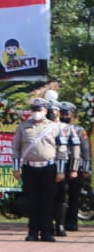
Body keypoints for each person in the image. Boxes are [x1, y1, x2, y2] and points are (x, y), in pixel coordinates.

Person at [12, 97, 68, 242]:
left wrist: (61, 171)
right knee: (32, 201)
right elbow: (16, 149)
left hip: (48, 169)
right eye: (34, 110)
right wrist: (16, 169)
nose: (37, 112)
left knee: (48, 202)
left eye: (40, 110)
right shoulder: (23, 127)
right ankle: (32, 232)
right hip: (29, 169)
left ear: (45, 110)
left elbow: (61, 150)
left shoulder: (54, 127)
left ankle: (47, 232)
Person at [59, 101, 89, 232]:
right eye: (62, 113)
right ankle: (59, 222)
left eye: (67, 114)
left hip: (75, 165)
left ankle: (72, 222)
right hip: (60, 165)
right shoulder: (55, 128)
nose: (64, 116)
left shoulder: (79, 130)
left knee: (74, 195)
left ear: (72, 115)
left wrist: (86, 169)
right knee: (59, 195)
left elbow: (86, 151)